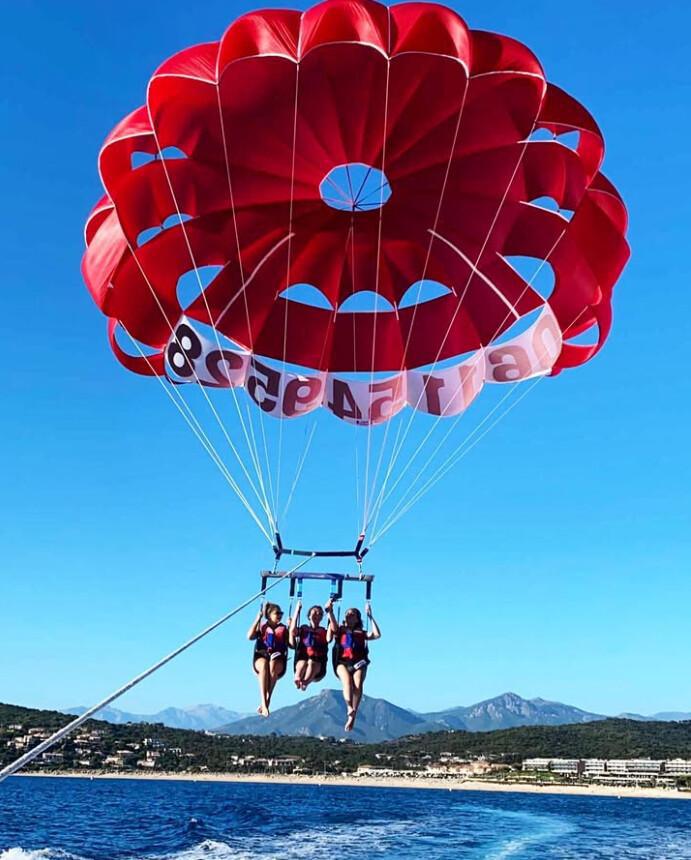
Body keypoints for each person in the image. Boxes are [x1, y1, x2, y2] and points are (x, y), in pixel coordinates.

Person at [332, 603, 381, 731]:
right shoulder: (340, 630)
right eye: (347, 614)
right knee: (347, 682)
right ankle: (349, 707)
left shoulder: (362, 633)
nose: (349, 616)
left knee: (357, 684)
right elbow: (332, 627)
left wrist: (370, 616)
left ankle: (353, 714)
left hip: (359, 662)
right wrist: (330, 611)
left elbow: (377, 635)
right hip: (342, 662)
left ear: (357, 618)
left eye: (352, 614)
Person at [247, 602, 288, 717]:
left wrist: (292, 626)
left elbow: (291, 644)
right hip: (261, 656)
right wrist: (257, 620)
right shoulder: (262, 627)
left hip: (278, 658)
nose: (280, 615)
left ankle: (266, 702)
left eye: (281, 613)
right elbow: (249, 636)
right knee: (265, 665)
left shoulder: (284, 629)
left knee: (273, 665)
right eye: (277, 613)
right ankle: (264, 703)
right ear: (269, 615)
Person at [289, 598, 337, 691]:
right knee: (303, 662)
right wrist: (297, 610)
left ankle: (305, 682)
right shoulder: (303, 628)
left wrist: (330, 612)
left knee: (311, 662)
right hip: (302, 660)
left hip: (318, 666)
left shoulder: (324, 631)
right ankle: (297, 677)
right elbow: (292, 631)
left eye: (319, 613)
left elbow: (330, 637)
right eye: (314, 612)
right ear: (309, 615)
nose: (317, 614)